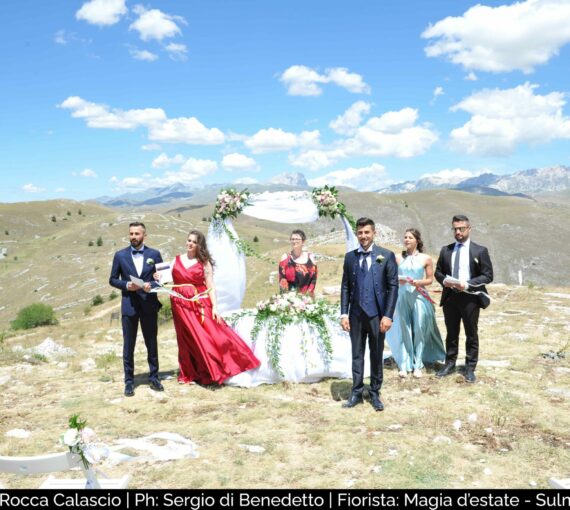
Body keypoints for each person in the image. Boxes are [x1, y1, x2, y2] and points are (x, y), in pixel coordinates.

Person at [165, 230, 260, 386]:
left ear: (199, 245)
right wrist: (158, 278)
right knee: (186, 338)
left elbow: (210, 286)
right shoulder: (175, 260)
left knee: (208, 335)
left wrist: (215, 307)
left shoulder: (204, 262)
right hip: (179, 304)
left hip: (199, 303)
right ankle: (190, 372)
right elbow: (167, 280)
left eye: (194, 242)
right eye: (189, 240)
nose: (190, 244)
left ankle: (217, 367)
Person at [340, 217, 399, 411]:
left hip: (377, 315)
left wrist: (388, 315)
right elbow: (346, 287)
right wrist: (343, 314)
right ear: (357, 234)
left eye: (367, 232)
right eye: (360, 232)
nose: (363, 236)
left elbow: (393, 287)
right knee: (357, 354)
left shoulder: (386, 255)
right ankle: (356, 392)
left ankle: (375, 392)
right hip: (356, 314)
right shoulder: (350, 257)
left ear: (374, 233)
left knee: (376, 353)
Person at [435, 215, 493, 383]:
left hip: (470, 298)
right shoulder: (446, 250)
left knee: (471, 333)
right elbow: (439, 271)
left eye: (461, 228)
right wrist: (444, 281)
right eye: (455, 229)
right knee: (451, 333)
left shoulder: (480, 251)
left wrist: (467, 284)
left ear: (469, 229)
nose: (458, 232)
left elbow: (488, 275)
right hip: (450, 297)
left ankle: (469, 367)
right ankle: (450, 363)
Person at [109, 222, 164, 397]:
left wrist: (152, 284)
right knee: (128, 345)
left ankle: (154, 378)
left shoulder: (154, 254)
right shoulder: (120, 255)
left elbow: (163, 279)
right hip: (129, 306)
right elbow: (112, 279)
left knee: (151, 344)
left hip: (149, 304)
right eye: (131, 233)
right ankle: (129, 382)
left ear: (144, 235)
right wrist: (126, 285)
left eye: (137, 234)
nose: (133, 236)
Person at [387, 229, 446, 379]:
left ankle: (418, 363)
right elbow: (390, 276)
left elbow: (430, 279)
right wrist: (397, 280)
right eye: (405, 237)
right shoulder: (397, 257)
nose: (406, 240)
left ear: (417, 241)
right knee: (405, 329)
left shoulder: (426, 258)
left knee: (419, 327)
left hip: (419, 295)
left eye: (410, 237)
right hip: (402, 296)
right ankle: (405, 365)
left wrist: (419, 282)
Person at [278, 229, 317, 296]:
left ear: (303, 241)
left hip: (307, 299)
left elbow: (313, 280)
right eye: (292, 239)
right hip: (289, 300)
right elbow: (282, 280)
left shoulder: (311, 258)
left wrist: (307, 297)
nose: (294, 241)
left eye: (297, 239)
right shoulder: (285, 258)